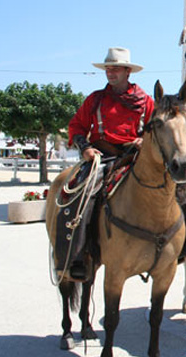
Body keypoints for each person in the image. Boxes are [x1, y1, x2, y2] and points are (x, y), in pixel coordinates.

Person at [62, 47, 155, 279]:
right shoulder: (95, 100)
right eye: (108, 69)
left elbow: (156, 131)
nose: (110, 73)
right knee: (84, 196)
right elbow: (76, 127)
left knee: (171, 192)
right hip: (103, 157)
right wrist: (85, 148)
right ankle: (79, 254)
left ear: (127, 71)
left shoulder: (146, 102)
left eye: (115, 69)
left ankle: (175, 249)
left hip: (135, 158)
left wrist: (144, 140)